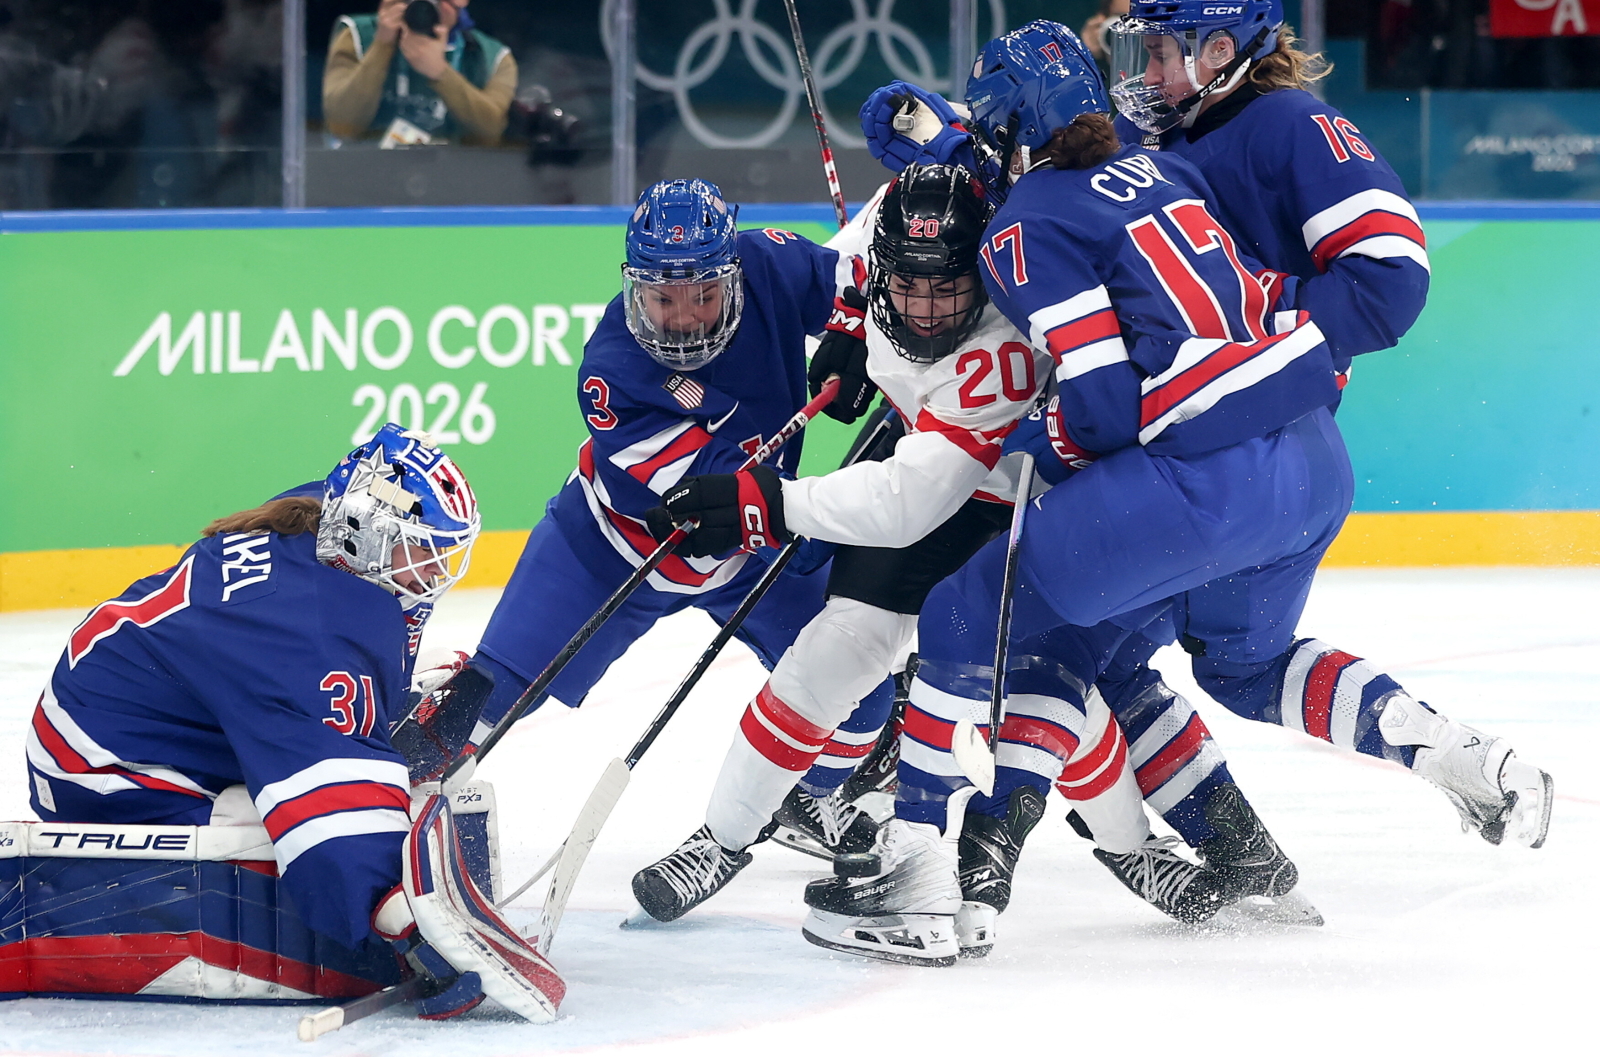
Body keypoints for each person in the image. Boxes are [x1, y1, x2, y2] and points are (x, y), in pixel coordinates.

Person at [865, 5, 1551, 859]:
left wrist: (1245, 340)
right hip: (1270, 449)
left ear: (1221, 51)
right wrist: (953, 137)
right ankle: (1426, 759)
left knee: (1043, 632)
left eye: (1160, 54)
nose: (1144, 75)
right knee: (1236, 666)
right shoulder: (1172, 141)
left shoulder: (1290, 125)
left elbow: (1392, 282)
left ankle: (961, 860)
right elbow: (1067, 161)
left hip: (1205, 441)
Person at [398, 178, 897, 874]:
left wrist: (854, 329)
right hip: (610, 551)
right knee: (485, 701)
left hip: (751, 555)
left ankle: (803, 795)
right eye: (664, 297)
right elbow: (722, 498)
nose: (685, 317)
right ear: (636, 286)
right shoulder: (611, 374)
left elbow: (876, 278)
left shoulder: (772, 265)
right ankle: (381, 796)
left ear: (733, 274)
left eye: (703, 294)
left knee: (866, 696)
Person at [628, 164, 1051, 933]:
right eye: (906, 288)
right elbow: (852, 259)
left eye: (946, 289)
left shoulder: (1003, 350)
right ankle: (722, 838)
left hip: (1012, 495)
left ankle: (1146, 835)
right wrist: (853, 328)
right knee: (830, 652)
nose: (924, 312)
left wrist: (766, 503)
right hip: (925, 450)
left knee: (1053, 689)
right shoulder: (886, 230)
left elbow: (906, 502)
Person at [23, 424, 562, 1019]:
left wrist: (373, 711)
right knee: (296, 827)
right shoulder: (302, 634)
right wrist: (408, 929)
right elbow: (330, 812)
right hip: (102, 769)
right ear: (370, 536)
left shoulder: (318, 521)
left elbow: (295, 674)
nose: (433, 573)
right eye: (419, 550)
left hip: (126, 711)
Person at [322, 0, 516, 146]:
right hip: (362, 181)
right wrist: (381, 46)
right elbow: (341, 124)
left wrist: (440, 73)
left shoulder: (493, 57)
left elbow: (492, 133)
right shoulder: (356, 35)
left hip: (452, 185)